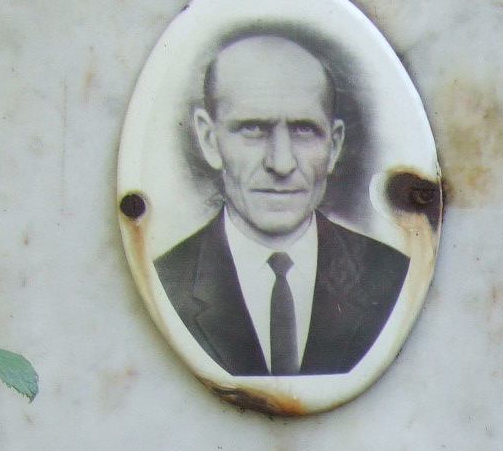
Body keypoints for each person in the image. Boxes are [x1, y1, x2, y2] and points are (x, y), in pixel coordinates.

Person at [154, 31, 409, 378]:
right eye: (253, 129)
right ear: (209, 139)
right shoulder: (166, 282)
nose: (282, 163)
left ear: (334, 146)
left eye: (304, 130)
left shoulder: (391, 278)